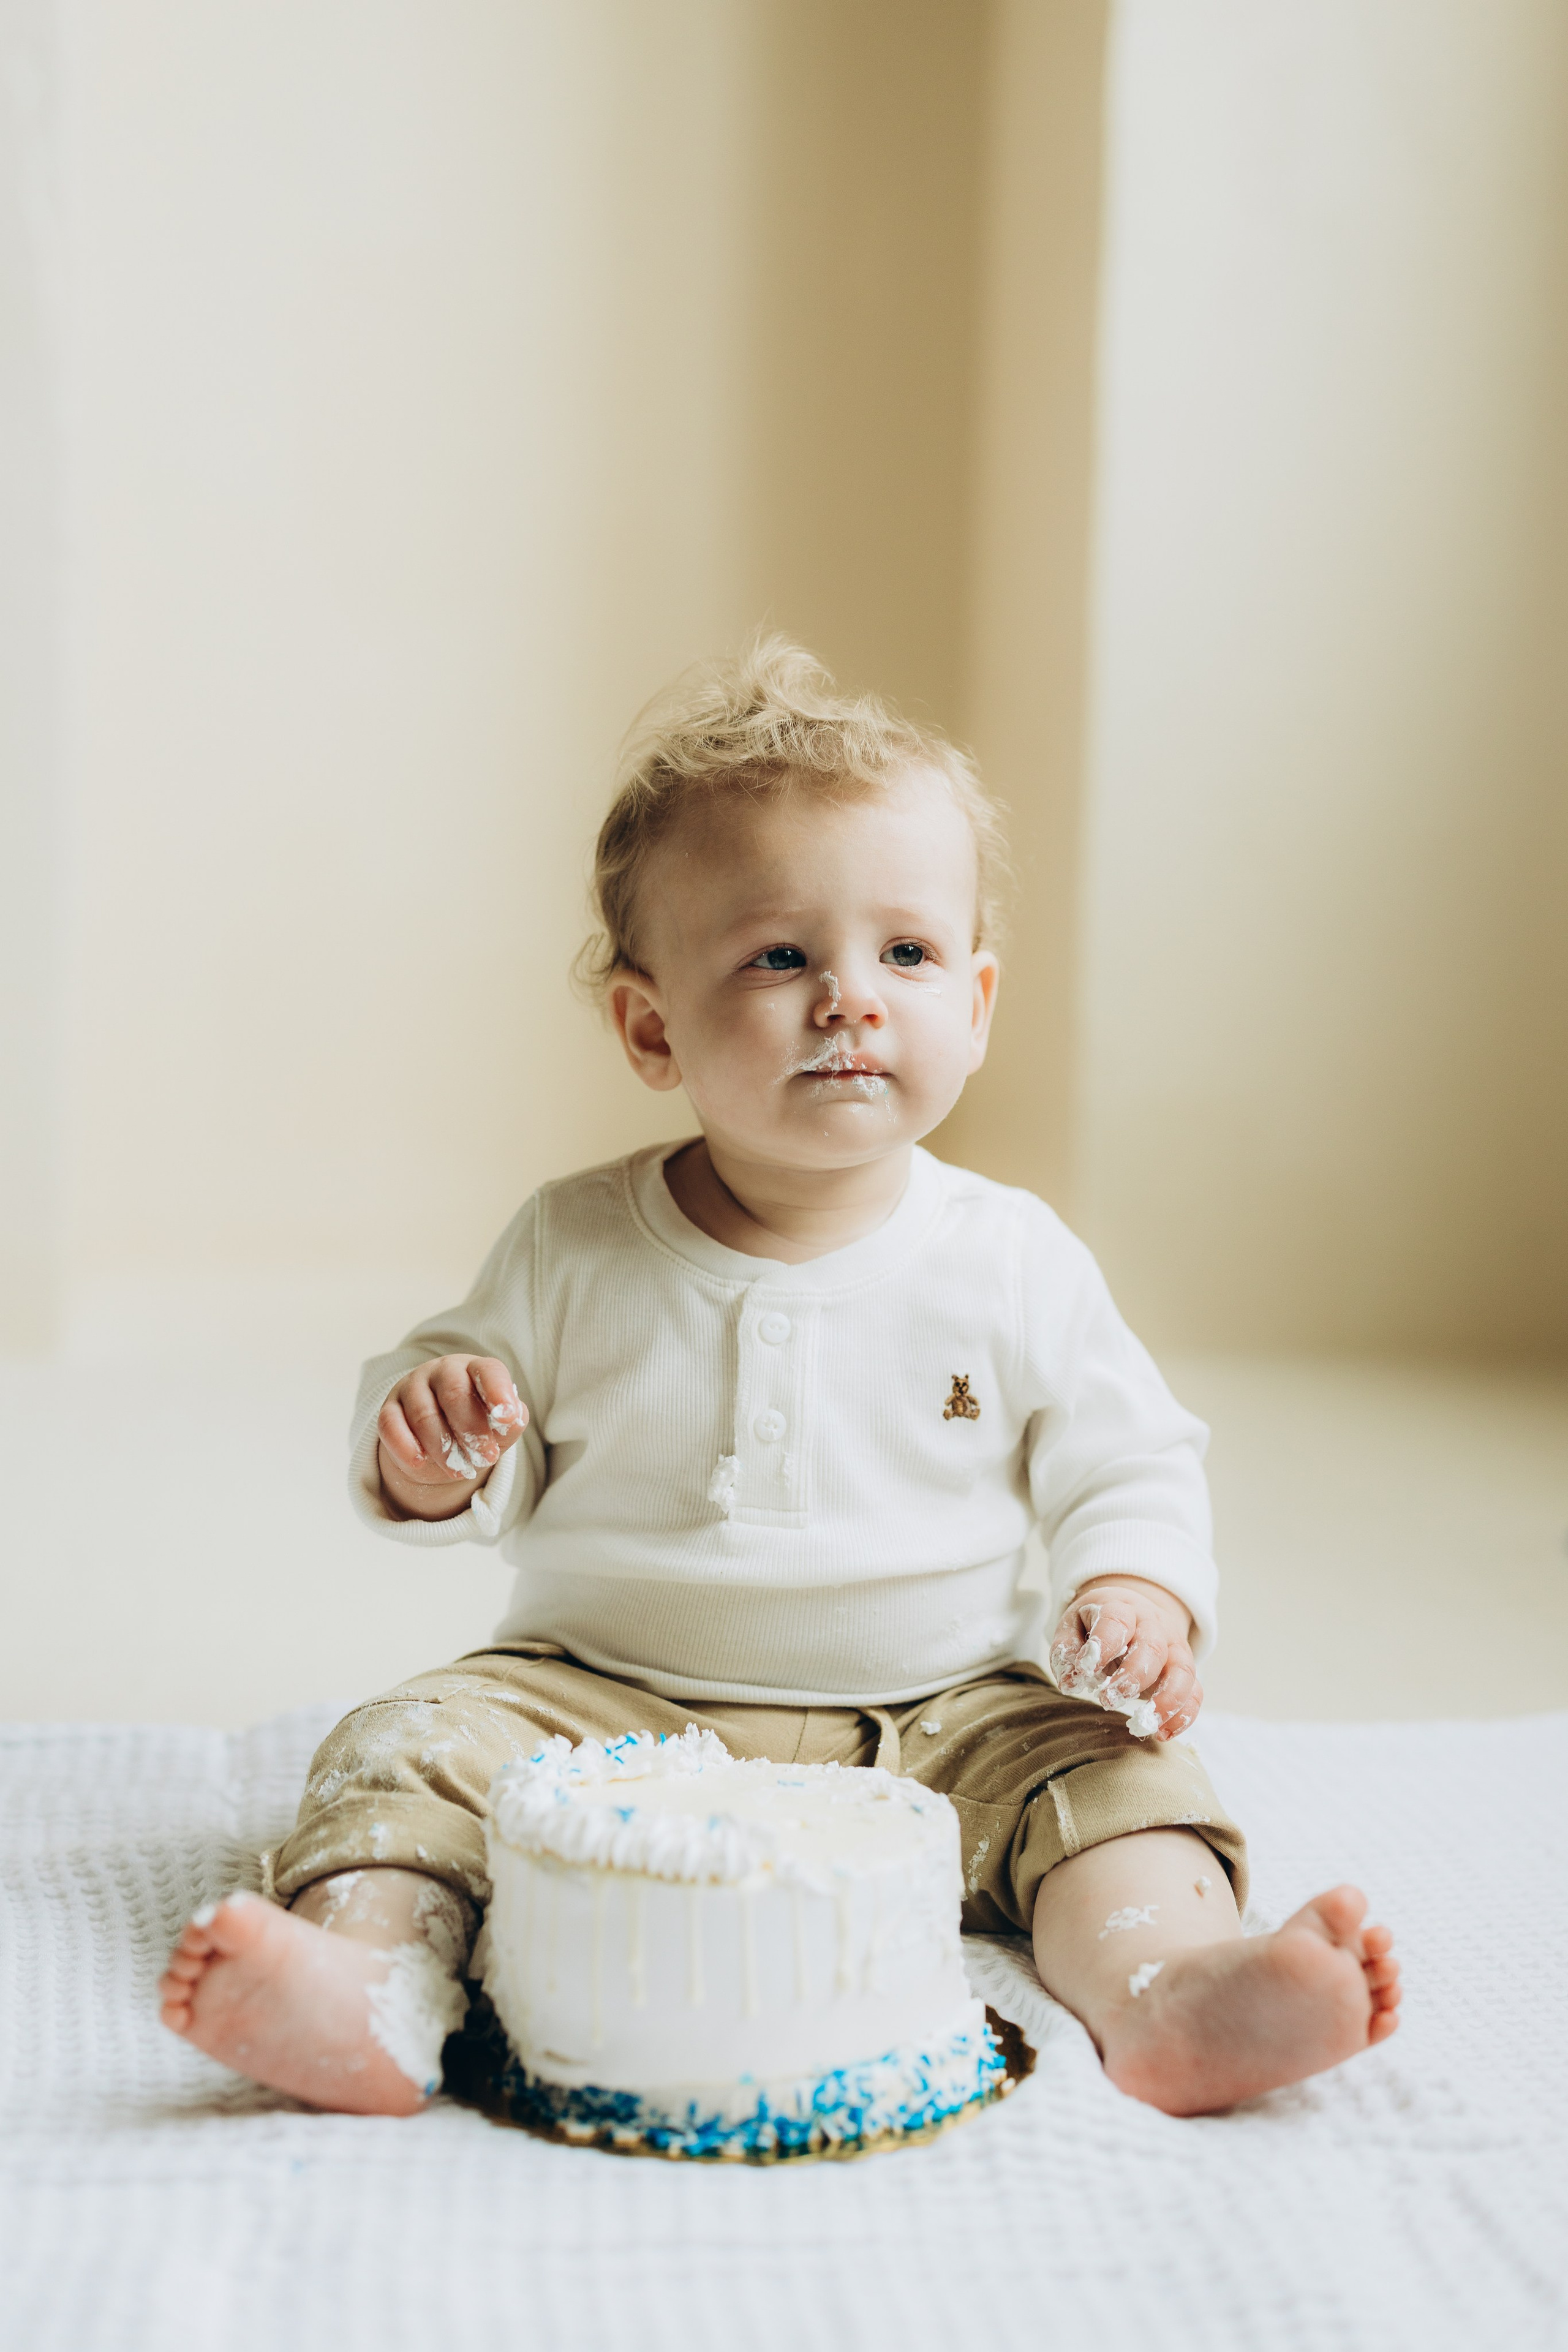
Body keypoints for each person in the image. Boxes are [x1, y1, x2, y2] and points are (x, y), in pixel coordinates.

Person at [159, 640, 1400, 2117]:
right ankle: (365, 1981)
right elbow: (449, 1409)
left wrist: (1133, 1590)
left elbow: (1127, 1459)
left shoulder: (1008, 1259)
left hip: (947, 1710)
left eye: (907, 954)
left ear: (979, 1000)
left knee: (1116, 1784)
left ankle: (1166, 1987)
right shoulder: (569, 1243)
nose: (848, 1001)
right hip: (595, 1701)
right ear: (648, 1024)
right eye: (777, 956)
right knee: (406, 1745)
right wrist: (427, 1450)